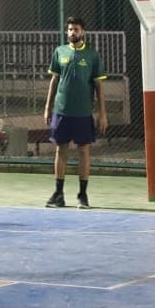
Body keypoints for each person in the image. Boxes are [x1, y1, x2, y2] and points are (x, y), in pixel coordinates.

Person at [43, 16, 108, 210]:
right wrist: (48, 107)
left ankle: (82, 195)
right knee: (60, 150)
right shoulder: (59, 52)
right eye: (70, 29)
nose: (73, 33)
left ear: (83, 32)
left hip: (83, 112)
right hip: (61, 111)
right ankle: (58, 194)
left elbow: (99, 86)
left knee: (83, 151)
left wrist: (102, 113)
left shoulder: (92, 55)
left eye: (76, 29)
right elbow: (54, 81)